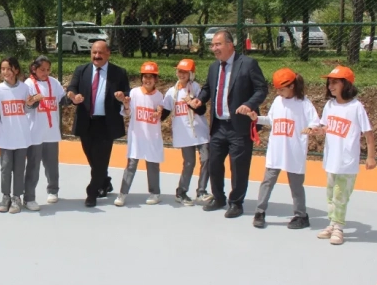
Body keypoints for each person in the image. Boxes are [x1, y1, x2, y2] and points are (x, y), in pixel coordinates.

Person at [189, 29, 268, 218]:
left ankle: (236, 203)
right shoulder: (214, 67)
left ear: (230, 45)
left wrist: (249, 104)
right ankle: (218, 198)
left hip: (239, 126)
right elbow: (208, 88)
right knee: (214, 164)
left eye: (218, 44)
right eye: (212, 45)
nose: (214, 48)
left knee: (238, 167)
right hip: (218, 126)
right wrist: (200, 99)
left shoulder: (248, 64)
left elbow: (261, 88)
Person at [246, 69, 320, 229]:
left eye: (281, 89)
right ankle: (259, 212)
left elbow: (315, 121)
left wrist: (311, 128)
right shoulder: (278, 101)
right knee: (267, 181)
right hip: (276, 151)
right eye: (277, 89)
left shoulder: (304, 103)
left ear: (292, 86)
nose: (278, 92)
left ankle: (301, 215)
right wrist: (257, 118)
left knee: (296, 186)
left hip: (294, 152)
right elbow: (271, 120)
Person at [314, 66, 375, 245]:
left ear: (346, 84)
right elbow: (325, 127)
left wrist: (370, 157)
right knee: (330, 194)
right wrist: (316, 130)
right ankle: (332, 224)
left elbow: (368, 133)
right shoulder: (329, 105)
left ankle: (338, 227)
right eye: (329, 82)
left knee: (341, 195)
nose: (330, 86)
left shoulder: (356, 107)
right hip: (331, 159)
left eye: (335, 82)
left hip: (347, 161)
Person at [66, 41, 130, 207]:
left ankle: (91, 193)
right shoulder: (82, 70)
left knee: (101, 160)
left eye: (100, 53)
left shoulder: (119, 72)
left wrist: (123, 97)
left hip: (106, 123)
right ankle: (105, 181)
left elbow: (128, 93)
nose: (96, 56)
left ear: (108, 53)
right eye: (94, 52)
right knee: (92, 158)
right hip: (86, 122)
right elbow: (72, 87)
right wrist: (73, 95)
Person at [0, 57, 41, 213]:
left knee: (19, 169)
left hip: (21, 136)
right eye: (3, 69)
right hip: (5, 136)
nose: (5, 72)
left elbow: (28, 109)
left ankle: (16, 198)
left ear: (16, 70)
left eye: (8, 68)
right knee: (5, 168)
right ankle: (5, 196)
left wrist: (29, 104)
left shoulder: (24, 88)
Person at [162, 59, 211, 206]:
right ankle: (181, 192)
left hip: (200, 130)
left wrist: (192, 103)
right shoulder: (172, 92)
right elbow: (164, 112)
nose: (181, 74)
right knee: (189, 163)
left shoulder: (196, 88)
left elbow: (202, 110)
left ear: (191, 74)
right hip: (184, 133)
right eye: (179, 71)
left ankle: (201, 191)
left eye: (185, 72)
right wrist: (156, 113)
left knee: (206, 159)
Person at [115, 62, 165, 207]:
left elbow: (159, 110)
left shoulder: (159, 95)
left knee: (152, 164)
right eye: (145, 76)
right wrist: (125, 104)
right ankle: (123, 193)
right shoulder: (134, 92)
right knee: (131, 164)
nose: (147, 80)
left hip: (152, 136)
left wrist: (158, 113)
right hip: (136, 135)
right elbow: (127, 112)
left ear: (156, 79)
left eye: (150, 77)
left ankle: (155, 193)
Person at [24, 56, 66, 205]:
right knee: (33, 166)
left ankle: (53, 190)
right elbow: (26, 107)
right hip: (34, 132)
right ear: (34, 69)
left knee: (52, 164)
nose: (45, 72)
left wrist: (73, 99)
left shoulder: (54, 82)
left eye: (48, 70)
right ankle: (29, 195)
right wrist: (34, 101)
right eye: (42, 69)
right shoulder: (27, 84)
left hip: (51, 131)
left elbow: (62, 99)